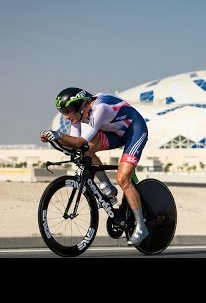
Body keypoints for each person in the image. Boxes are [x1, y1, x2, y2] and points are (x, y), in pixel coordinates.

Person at [40, 87, 149, 246]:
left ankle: (141, 226)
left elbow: (79, 142)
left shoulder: (100, 108)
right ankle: (108, 189)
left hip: (135, 131)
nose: (67, 116)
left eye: (69, 110)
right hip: (115, 133)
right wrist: (54, 139)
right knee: (86, 151)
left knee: (123, 178)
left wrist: (58, 135)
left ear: (80, 105)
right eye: (63, 111)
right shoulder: (78, 116)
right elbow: (76, 145)